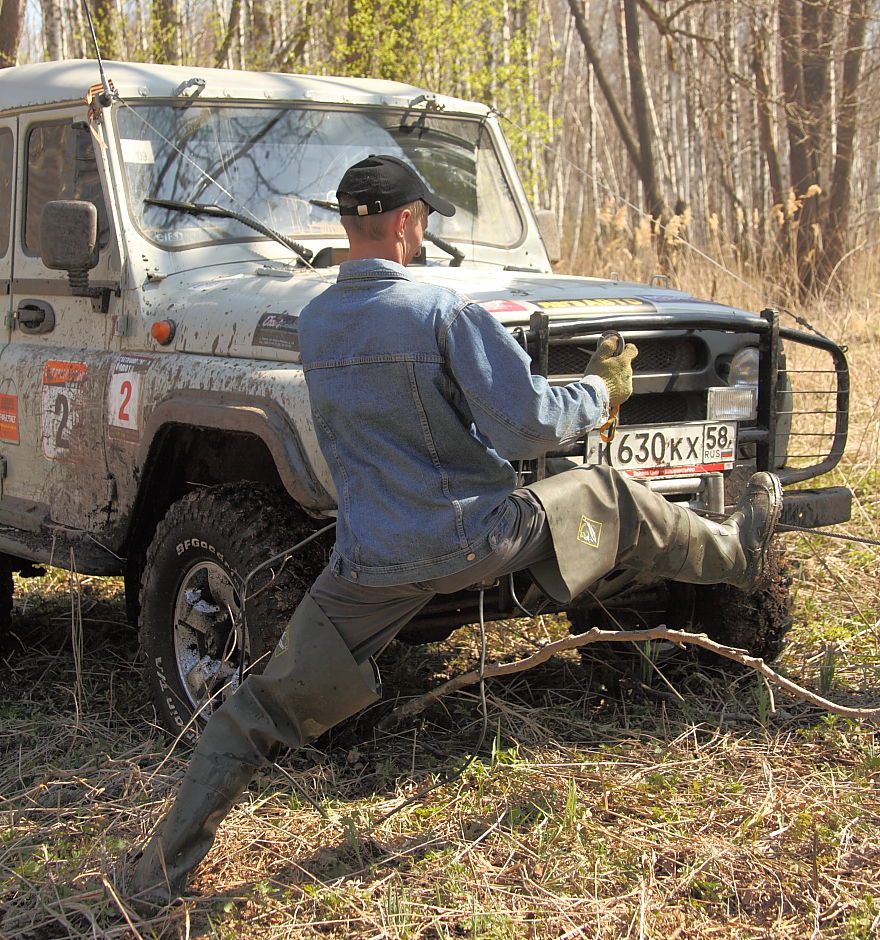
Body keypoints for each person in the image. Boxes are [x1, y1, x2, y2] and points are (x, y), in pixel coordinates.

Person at [129, 154, 781, 905]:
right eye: (425, 222)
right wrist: (600, 388)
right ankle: (735, 550)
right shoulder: (445, 313)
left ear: (349, 224)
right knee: (608, 493)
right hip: (480, 538)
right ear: (408, 223)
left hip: (369, 565)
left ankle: (157, 876)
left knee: (256, 712)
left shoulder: (315, 321)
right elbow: (528, 424)